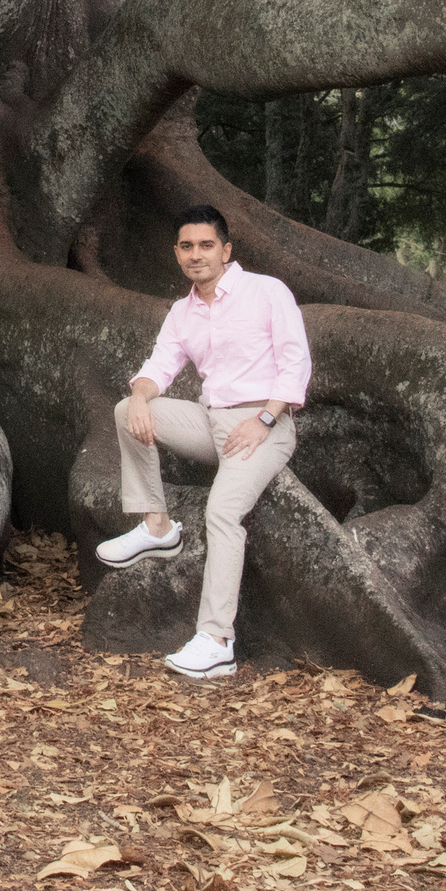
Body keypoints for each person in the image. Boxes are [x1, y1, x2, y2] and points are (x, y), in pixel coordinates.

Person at [95, 204, 310, 682]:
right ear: (177, 253)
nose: (197, 255)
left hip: (264, 425)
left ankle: (216, 641)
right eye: (187, 246)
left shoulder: (266, 292)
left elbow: (295, 362)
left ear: (226, 250)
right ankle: (157, 528)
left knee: (222, 512)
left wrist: (265, 418)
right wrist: (139, 395)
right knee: (125, 409)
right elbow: (159, 368)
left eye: (206, 245)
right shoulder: (182, 311)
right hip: (210, 423)